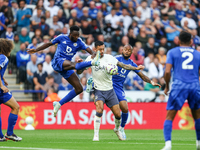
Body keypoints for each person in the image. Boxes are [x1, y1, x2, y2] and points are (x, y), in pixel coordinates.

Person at [27, 25, 100, 117]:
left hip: (66, 66)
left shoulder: (79, 42)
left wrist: (94, 54)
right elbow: (49, 44)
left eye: (78, 35)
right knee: (75, 65)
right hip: (58, 62)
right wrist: (36, 50)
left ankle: (58, 104)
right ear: (70, 34)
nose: (76, 37)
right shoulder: (62, 37)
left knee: (79, 88)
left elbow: (90, 51)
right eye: (75, 36)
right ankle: (92, 63)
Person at [83, 41, 145, 141]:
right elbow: (80, 70)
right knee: (99, 110)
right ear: (95, 49)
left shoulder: (110, 58)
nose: (102, 51)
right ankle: (96, 136)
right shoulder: (90, 58)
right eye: (100, 49)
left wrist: (136, 68)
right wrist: (79, 65)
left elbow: (124, 66)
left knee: (118, 114)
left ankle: (117, 129)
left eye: (103, 49)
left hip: (110, 89)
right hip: (98, 88)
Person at [112, 44, 161, 140]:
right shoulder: (115, 58)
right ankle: (96, 133)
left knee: (125, 109)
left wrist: (151, 82)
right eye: (125, 49)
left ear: (131, 52)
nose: (126, 51)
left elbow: (142, 76)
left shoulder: (132, 63)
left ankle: (121, 128)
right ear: (122, 50)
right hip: (108, 85)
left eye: (129, 50)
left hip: (118, 88)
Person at [161, 31, 200, 150]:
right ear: (191, 41)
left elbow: (167, 72)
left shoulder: (172, 52)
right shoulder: (198, 54)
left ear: (178, 41)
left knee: (169, 117)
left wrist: (167, 86)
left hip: (179, 86)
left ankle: (168, 145)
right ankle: (198, 143)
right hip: (194, 86)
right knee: (197, 116)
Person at [0, 39, 22, 141]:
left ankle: (1, 136)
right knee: (16, 107)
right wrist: (1, 85)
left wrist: (3, 78)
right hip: (0, 90)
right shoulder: (3, 57)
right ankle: (9, 133)